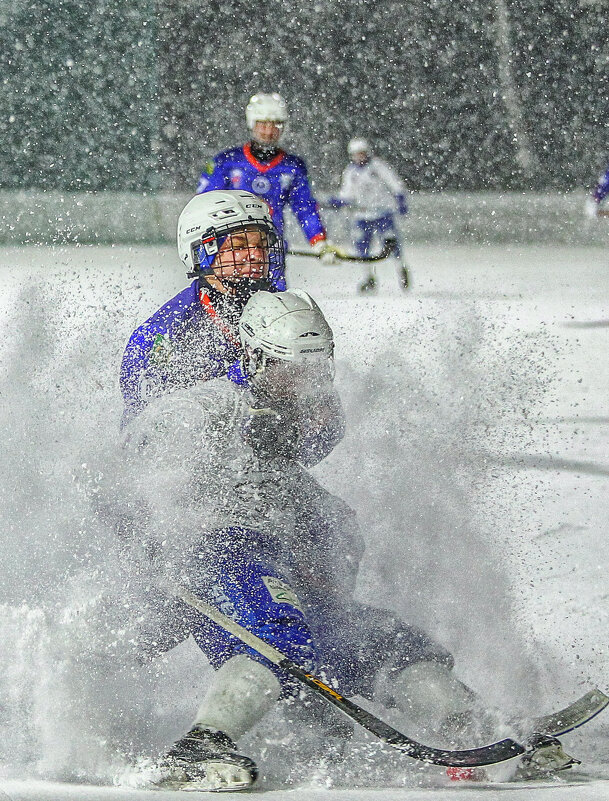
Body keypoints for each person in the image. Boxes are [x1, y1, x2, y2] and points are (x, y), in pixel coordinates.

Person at [115, 291, 577, 791]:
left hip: (282, 564)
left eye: (318, 368)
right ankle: (203, 743)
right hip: (224, 556)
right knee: (279, 635)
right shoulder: (205, 408)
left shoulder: (299, 424)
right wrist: (158, 538)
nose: (308, 382)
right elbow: (137, 478)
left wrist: (329, 549)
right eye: (293, 369)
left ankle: (473, 727)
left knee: (386, 640)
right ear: (253, 356)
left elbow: (317, 510)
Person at [119, 189, 283, 427]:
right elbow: (156, 422)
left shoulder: (284, 308)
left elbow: (327, 424)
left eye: (262, 244)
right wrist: (235, 382)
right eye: (239, 246)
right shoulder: (169, 327)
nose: (256, 254)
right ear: (200, 252)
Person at [196, 92, 343, 288]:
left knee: (276, 307)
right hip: (230, 253)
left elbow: (304, 208)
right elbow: (204, 205)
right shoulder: (227, 162)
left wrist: (319, 241)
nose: (268, 131)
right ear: (251, 124)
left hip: (271, 252)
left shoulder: (293, 167)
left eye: (275, 124)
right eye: (262, 124)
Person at [329, 137, 410, 293]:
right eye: (356, 154)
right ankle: (369, 277)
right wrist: (339, 201)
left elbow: (395, 183)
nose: (359, 157)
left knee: (391, 244)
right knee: (362, 248)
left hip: (382, 212)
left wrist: (400, 199)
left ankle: (400, 269)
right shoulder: (350, 172)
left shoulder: (378, 167)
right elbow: (347, 194)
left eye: (362, 153)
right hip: (362, 215)